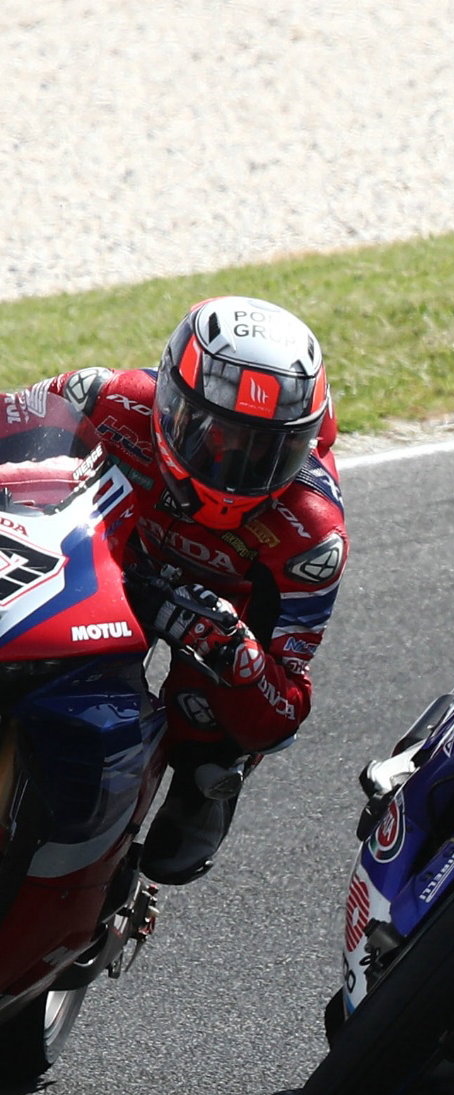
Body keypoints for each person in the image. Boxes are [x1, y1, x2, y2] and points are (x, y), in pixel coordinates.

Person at [1, 296, 348, 884]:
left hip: (216, 611)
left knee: (198, 765)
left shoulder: (311, 534)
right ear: (168, 400)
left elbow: (284, 709)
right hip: (98, 557)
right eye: (215, 436)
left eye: (267, 450)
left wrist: (227, 645)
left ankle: (202, 780)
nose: (235, 466)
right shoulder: (103, 398)